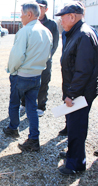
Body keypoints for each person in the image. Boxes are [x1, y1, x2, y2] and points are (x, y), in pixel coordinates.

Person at [55, 2, 98, 175]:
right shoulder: (77, 33)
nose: (61, 22)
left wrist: (71, 94)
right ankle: (73, 153)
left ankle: (76, 164)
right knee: (73, 126)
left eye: (62, 18)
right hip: (77, 91)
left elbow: (83, 70)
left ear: (72, 17)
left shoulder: (83, 35)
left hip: (80, 93)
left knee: (77, 127)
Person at [3, 2, 52, 151]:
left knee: (15, 103)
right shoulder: (46, 31)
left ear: (29, 14)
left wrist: (11, 70)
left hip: (21, 75)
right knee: (32, 108)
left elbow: (17, 56)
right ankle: (34, 139)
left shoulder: (25, 31)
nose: (20, 17)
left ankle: (13, 128)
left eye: (21, 14)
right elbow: (48, 55)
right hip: (37, 76)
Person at [20, 0, 59, 117]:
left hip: (44, 61)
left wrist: (45, 57)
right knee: (25, 82)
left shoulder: (52, 24)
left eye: (41, 7)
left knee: (43, 84)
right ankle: (24, 104)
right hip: (29, 61)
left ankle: (41, 106)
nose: (39, 9)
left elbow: (54, 44)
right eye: (37, 6)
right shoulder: (27, 21)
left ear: (46, 9)